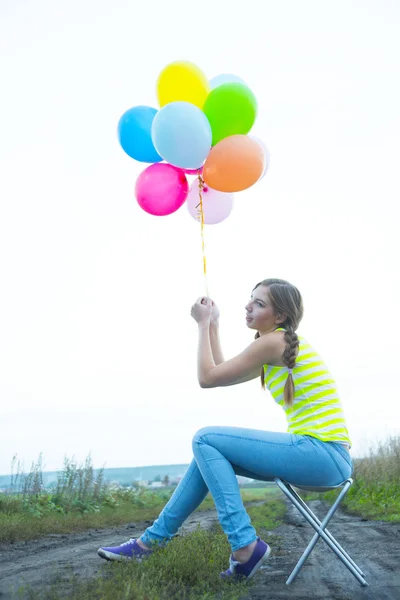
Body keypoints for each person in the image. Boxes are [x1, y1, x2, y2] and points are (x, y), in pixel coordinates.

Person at [98, 278, 353, 580]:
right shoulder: (273, 345)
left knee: (205, 439)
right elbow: (221, 370)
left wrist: (201, 325)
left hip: (322, 455)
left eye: (259, 303)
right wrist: (214, 324)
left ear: (280, 316)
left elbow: (207, 378)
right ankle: (149, 543)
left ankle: (244, 545)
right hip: (323, 459)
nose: (248, 306)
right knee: (206, 455)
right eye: (250, 299)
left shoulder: (275, 342)